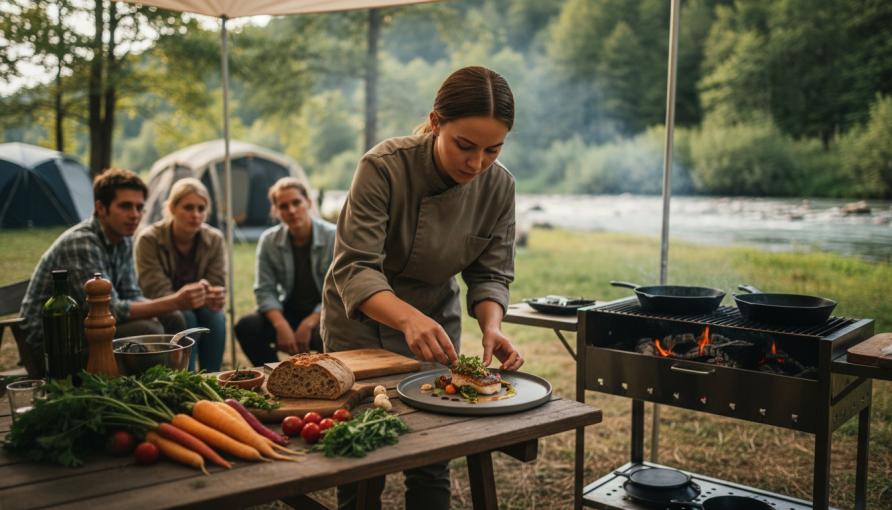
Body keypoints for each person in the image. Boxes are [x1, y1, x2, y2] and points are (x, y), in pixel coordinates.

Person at [321, 66, 524, 510]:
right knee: (361, 450)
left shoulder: (499, 186)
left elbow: (491, 274)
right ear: (435, 123)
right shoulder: (383, 167)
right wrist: (408, 318)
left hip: (435, 318)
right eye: (464, 146)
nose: (476, 163)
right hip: (360, 323)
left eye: (492, 150)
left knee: (433, 450)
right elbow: (355, 267)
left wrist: (492, 326)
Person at [19, 168, 211, 375]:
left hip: (91, 332)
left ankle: (176, 380)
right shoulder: (81, 242)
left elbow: (131, 294)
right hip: (56, 348)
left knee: (174, 317)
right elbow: (108, 310)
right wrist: (175, 301)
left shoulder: (123, 240)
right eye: (125, 206)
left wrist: (167, 308)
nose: (135, 215)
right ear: (101, 208)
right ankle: (154, 386)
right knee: (148, 330)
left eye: (139, 207)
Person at [234, 177, 336, 366]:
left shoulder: (333, 236)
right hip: (289, 310)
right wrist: (281, 325)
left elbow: (338, 291)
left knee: (333, 331)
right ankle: (276, 374)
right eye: (283, 206)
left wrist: (310, 323)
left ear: (308, 202)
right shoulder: (269, 241)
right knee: (247, 326)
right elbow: (264, 290)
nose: (291, 210)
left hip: (325, 312)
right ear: (275, 211)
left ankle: (326, 373)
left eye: (296, 202)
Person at [134, 178, 227, 372]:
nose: (196, 215)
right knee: (185, 318)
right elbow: (155, 290)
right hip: (163, 305)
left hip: (201, 305)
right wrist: (186, 299)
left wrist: (215, 294)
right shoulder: (149, 239)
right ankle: (187, 377)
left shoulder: (214, 239)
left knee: (215, 317)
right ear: (172, 208)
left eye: (201, 208)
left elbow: (216, 283)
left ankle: (213, 377)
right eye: (188, 207)